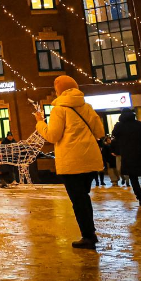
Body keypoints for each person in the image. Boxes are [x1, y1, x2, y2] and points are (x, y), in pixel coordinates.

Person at [34, 75, 105, 250]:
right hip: (90, 158)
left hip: (72, 162)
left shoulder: (59, 109)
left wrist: (40, 123)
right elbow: (100, 131)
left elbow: (52, 135)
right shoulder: (86, 107)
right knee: (84, 197)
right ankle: (90, 232)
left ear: (59, 89)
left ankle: (88, 236)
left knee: (78, 199)